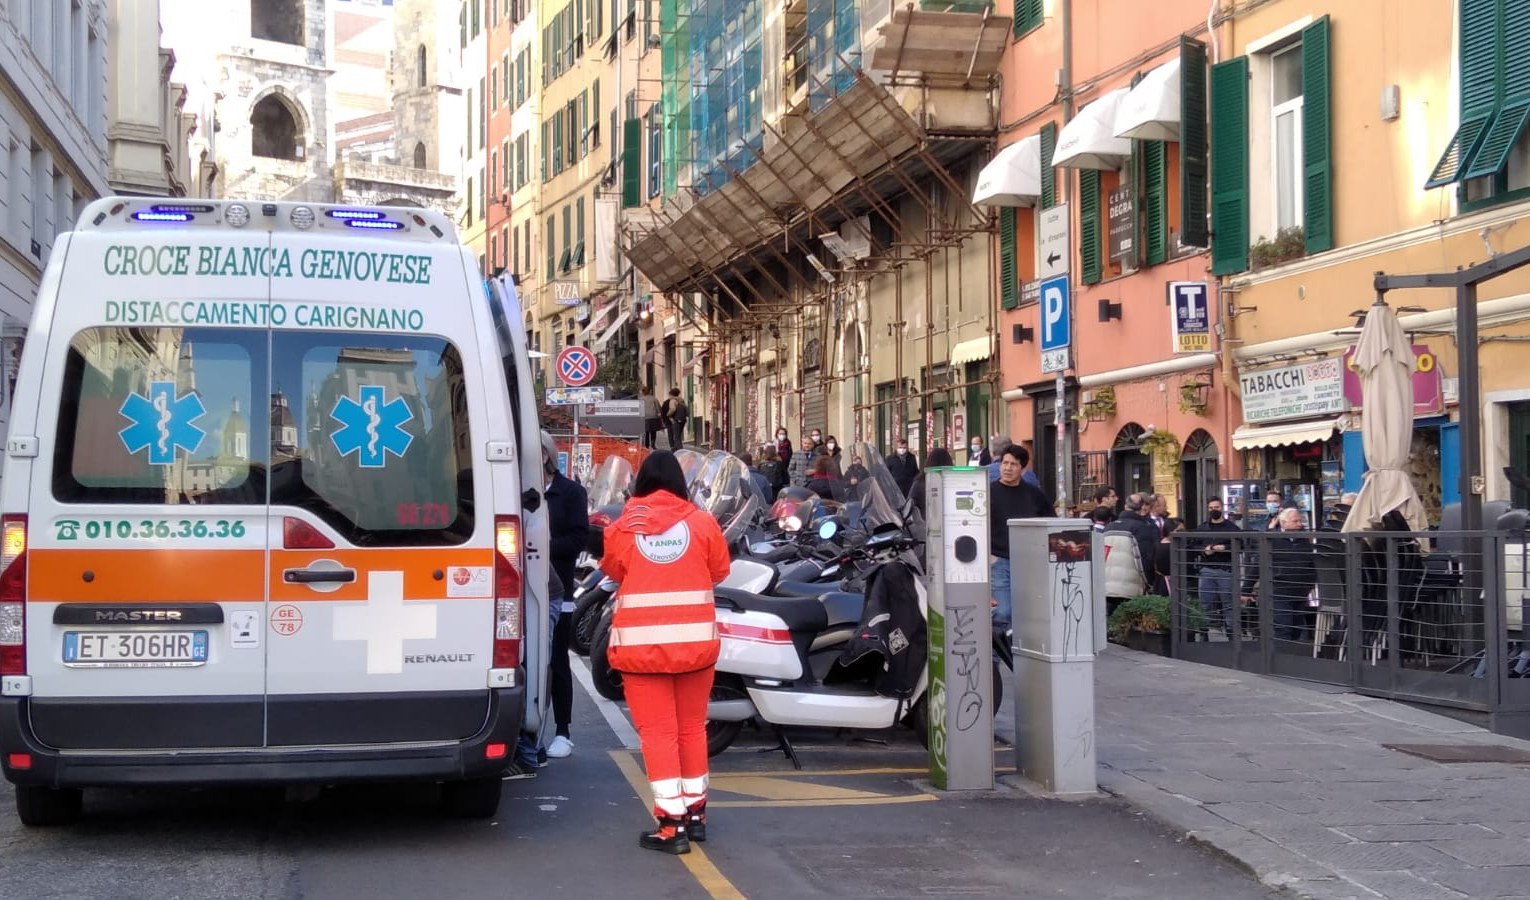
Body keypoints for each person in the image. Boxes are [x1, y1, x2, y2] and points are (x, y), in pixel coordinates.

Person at [599, 451, 731, 854]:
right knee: (692, 729)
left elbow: (614, 571)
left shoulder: (624, 527)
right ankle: (695, 815)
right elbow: (719, 571)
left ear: (639, 482)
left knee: (658, 734)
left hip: (643, 651)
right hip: (695, 647)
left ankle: (670, 826)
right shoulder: (702, 522)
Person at [541, 430, 589, 760]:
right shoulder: (517, 491)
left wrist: (542, 548)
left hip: (559, 588)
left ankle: (563, 730)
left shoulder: (570, 492)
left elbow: (578, 538)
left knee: (558, 660)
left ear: (544, 455)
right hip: (523, 590)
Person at [989, 444, 1054, 634]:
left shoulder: (1034, 495)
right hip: (999, 560)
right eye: (1005, 463)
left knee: (1027, 614)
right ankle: (993, 658)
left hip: (1028, 562)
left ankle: (1017, 658)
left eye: (1013, 464)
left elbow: (1050, 523)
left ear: (1023, 468)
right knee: (1002, 611)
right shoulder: (988, 493)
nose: (1008, 468)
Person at [1241, 506, 1317, 644]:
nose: (1299, 524)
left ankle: (1290, 658)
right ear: (1283, 523)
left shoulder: (1304, 540)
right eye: (1295, 521)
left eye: (1300, 521)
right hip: (1278, 591)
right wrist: (1246, 589)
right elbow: (1257, 565)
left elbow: (1311, 562)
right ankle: (1282, 659)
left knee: (1297, 628)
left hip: (1300, 592)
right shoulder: (1271, 539)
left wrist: (1310, 583)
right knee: (1283, 628)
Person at [1195, 497, 1243, 637]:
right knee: (1205, 603)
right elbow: (1194, 545)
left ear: (1222, 508)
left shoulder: (1232, 528)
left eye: (1216, 507)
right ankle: (1203, 633)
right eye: (1211, 508)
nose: (1213, 510)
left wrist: (1226, 547)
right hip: (1207, 570)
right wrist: (1204, 550)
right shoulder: (1202, 528)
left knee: (1229, 603)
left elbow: (1241, 545)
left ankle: (1231, 634)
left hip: (1225, 569)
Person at [1107, 493, 1162, 600]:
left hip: (1107, 586)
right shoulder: (1141, 528)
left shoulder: (1109, 527)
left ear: (1126, 506)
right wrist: (1150, 582)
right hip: (1130, 587)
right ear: (1141, 508)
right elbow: (1144, 559)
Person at [909, 447, 954, 519]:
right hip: (950, 523)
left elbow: (909, 505)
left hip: (926, 523)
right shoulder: (952, 483)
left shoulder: (920, 483)